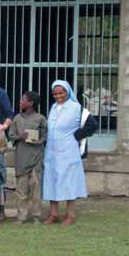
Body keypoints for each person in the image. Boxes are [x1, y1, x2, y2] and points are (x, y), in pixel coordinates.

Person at [43, 80, 98, 226]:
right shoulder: (53, 107)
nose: (58, 96)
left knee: (68, 182)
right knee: (51, 181)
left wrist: (76, 136)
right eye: (55, 93)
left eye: (61, 93)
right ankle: (53, 214)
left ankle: (70, 214)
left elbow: (93, 125)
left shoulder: (77, 108)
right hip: (51, 152)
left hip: (68, 152)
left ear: (67, 92)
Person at [9, 91, 47, 224]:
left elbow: (44, 136)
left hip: (36, 158)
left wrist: (40, 141)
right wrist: (20, 137)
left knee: (36, 188)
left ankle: (36, 216)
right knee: (21, 189)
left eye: (23, 100)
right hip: (21, 158)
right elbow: (12, 136)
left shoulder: (40, 118)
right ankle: (21, 217)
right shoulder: (17, 118)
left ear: (31, 103)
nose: (20, 102)